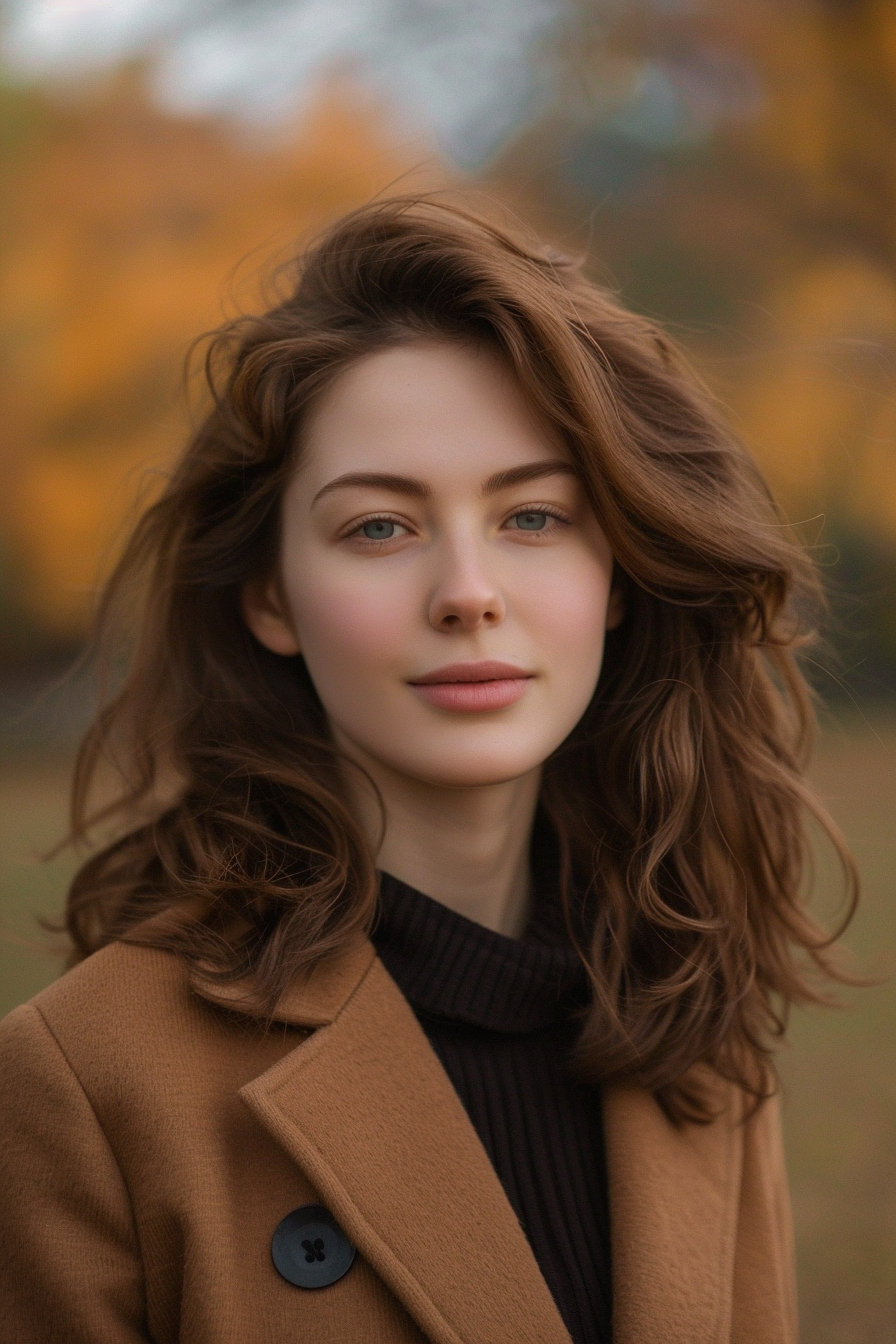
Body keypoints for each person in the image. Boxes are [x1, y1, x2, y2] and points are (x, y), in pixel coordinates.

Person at [0, 196, 854, 1344]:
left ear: (617, 574)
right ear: (270, 597)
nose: (466, 590)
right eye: (378, 529)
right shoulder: (84, 1086)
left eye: (534, 515)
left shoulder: (689, 1018)